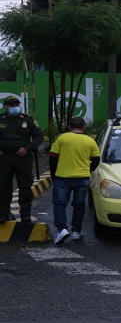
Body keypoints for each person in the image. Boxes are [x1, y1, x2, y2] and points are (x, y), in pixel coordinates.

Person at [49, 117, 100, 245]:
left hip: (62, 177)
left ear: (69, 126)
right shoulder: (90, 141)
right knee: (79, 205)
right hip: (82, 178)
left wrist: (53, 175)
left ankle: (62, 229)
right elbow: (96, 159)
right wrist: (88, 169)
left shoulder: (61, 138)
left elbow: (53, 158)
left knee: (59, 204)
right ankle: (77, 231)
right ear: (83, 127)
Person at [0, 95, 44, 223]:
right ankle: (3, 214)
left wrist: (28, 148)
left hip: (22, 158)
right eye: (11, 105)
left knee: (25, 187)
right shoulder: (1, 119)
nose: (14, 107)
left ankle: (25, 214)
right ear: (5, 106)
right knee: (3, 187)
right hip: (4, 159)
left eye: (16, 104)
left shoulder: (27, 119)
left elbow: (39, 137)